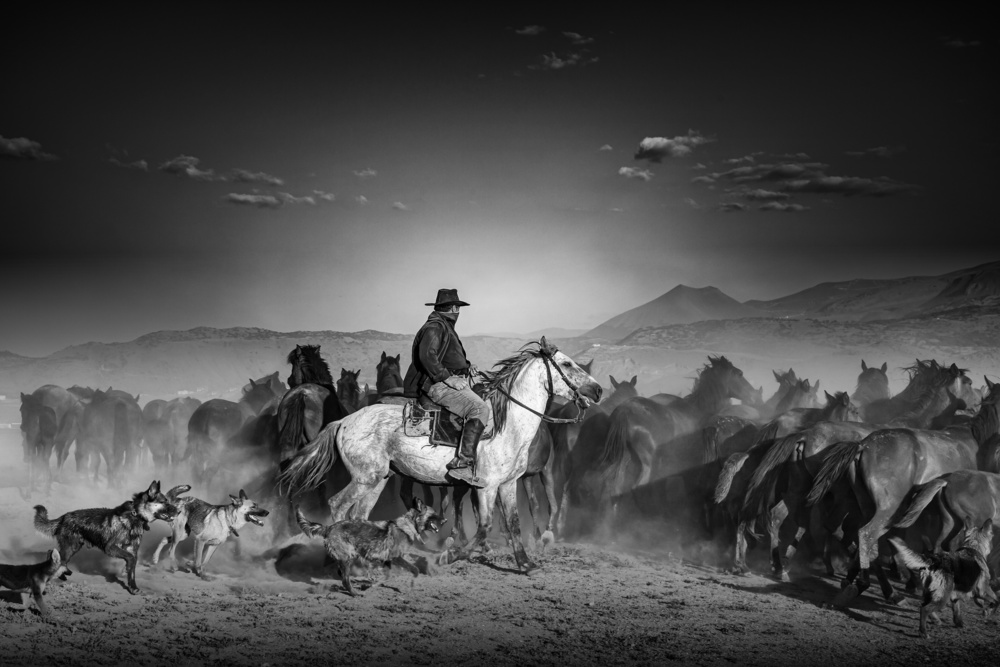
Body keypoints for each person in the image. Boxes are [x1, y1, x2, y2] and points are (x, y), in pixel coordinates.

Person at [402, 288, 489, 487]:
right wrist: (449, 379)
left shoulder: (443, 326)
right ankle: (462, 464)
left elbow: (447, 357)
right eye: (457, 308)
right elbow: (427, 357)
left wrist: (466, 367)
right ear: (452, 308)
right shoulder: (436, 327)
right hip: (437, 385)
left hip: (446, 380)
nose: (458, 312)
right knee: (479, 408)